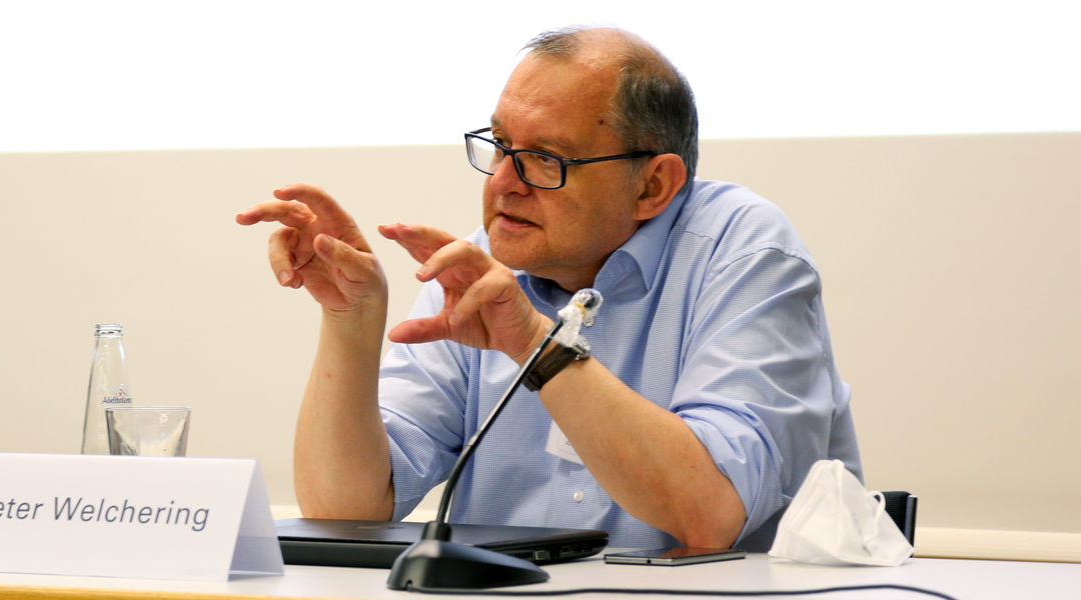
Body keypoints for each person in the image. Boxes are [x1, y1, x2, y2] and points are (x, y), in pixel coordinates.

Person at [236, 26, 860, 551]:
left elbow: (712, 513)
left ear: (653, 187)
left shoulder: (744, 252)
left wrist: (536, 343)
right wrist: (350, 320)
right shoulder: (480, 269)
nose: (504, 181)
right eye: (501, 144)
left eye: (546, 158)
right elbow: (344, 512)